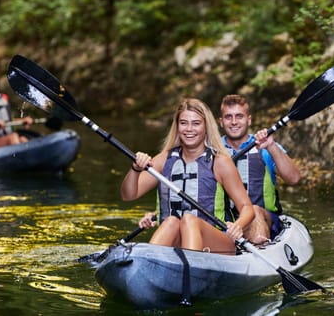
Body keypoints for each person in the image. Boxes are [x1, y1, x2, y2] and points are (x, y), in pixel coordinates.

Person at [121, 98, 254, 254]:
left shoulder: (220, 162)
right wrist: (135, 169)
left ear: (206, 127)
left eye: (196, 123)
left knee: (189, 220)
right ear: (177, 127)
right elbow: (128, 195)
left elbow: (247, 208)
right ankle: (150, 262)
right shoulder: (164, 159)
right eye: (184, 123)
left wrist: (238, 226)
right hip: (177, 239)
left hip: (218, 241)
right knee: (171, 221)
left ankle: (191, 268)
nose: (189, 129)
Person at [219, 94, 301, 244]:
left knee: (253, 211)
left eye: (239, 116)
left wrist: (271, 146)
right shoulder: (213, 151)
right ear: (221, 122)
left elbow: (294, 178)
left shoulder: (264, 147)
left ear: (248, 119)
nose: (234, 122)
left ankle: (260, 248)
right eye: (228, 117)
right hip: (225, 221)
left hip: (262, 216)